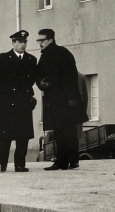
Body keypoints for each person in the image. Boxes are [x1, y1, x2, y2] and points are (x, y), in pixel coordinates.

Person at [35, 29, 88, 170]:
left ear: (50, 40)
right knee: (58, 132)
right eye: (38, 40)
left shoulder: (63, 54)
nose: (39, 43)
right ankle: (61, 161)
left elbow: (71, 78)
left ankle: (73, 161)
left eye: (42, 40)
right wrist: (40, 83)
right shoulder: (44, 56)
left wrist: (71, 99)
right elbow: (38, 75)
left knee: (69, 132)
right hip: (53, 100)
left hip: (66, 101)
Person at [0, 30, 38, 172]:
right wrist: (4, 93)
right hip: (7, 102)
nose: (23, 45)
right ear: (13, 43)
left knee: (23, 135)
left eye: (25, 42)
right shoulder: (3, 59)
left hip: (23, 101)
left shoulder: (31, 60)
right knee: (5, 136)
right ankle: (3, 164)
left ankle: (20, 164)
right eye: (20, 42)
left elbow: (32, 79)